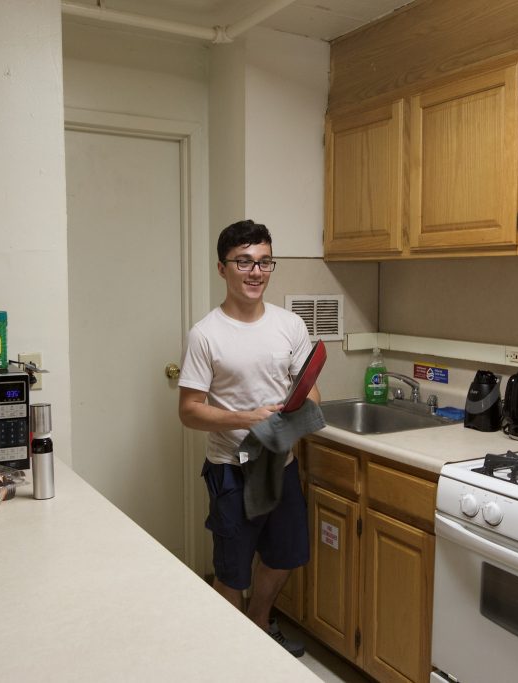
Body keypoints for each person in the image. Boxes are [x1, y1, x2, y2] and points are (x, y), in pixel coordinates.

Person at [177, 219, 320, 657]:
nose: (256, 272)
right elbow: (189, 411)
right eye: (244, 262)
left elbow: (310, 389)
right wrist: (247, 418)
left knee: (284, 556)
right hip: (231, 472)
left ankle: (258, 622)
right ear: (223, 269)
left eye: (263, 262)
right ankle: (232, 650)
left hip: (281, 466)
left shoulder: (290, 325)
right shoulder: (206, 334)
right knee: (233, 569)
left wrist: (300, 407)